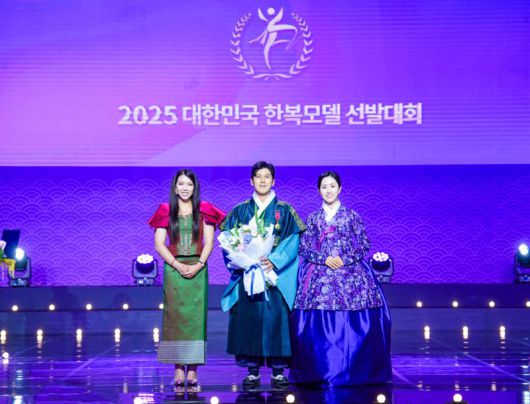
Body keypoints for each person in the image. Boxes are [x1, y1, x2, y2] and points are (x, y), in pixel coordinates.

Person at [289, 171, 392, 386]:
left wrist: (345, 259)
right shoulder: (313, 218)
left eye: (332, 186)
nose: (328, 190)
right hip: (321, 270)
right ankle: (319, 370)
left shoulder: (351, 215)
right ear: (319, 190)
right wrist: (324, 259)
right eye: (324, 187)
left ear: (340, 188)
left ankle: (356, 368)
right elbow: (304, 247)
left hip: (351, 270)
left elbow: (364, 244)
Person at [220, 161, 306, 389]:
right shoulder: (239, 211)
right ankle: (252, 371)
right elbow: (227, 241)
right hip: (248, 275)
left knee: (277, 321)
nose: (262, 180)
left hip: (274, 276)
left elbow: (292, 242)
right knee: (250, 320)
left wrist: (274, 260)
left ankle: (278, 371)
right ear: (251, 180)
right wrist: (243, 261)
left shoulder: (285, 211)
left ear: (273, 181)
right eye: (258, 176)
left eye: (267, 176)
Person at [148, 169, 225, 386]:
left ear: (195, 188)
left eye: (189, 184)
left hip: (198, 268)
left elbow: (209, 242)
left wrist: (199, 264)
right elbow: (159, 244)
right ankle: (178, 369)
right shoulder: (166, 210)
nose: (185, 188)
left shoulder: (204, 209)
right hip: (174, 269)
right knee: (175, 318)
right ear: (175, 187)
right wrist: (176, 264)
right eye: (181, 184)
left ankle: (192, 369)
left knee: (195, 319)